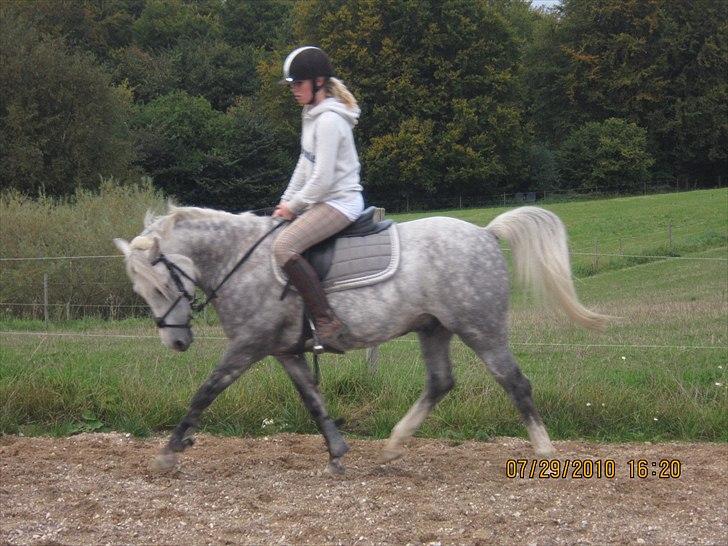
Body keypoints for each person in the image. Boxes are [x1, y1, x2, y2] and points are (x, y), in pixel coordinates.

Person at [272, 46, 364, 350]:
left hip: (340, 202)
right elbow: (304, 164)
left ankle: (326, 322)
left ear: (319, 82)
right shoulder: (311, 115)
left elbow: (322, 180)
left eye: (298, 84)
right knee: (278, 233)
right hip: (323, 200)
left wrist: (295, 206)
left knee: (284, 246)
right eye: (292, 85)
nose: (293, 90)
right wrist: (284, 203)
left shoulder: (328, 121)